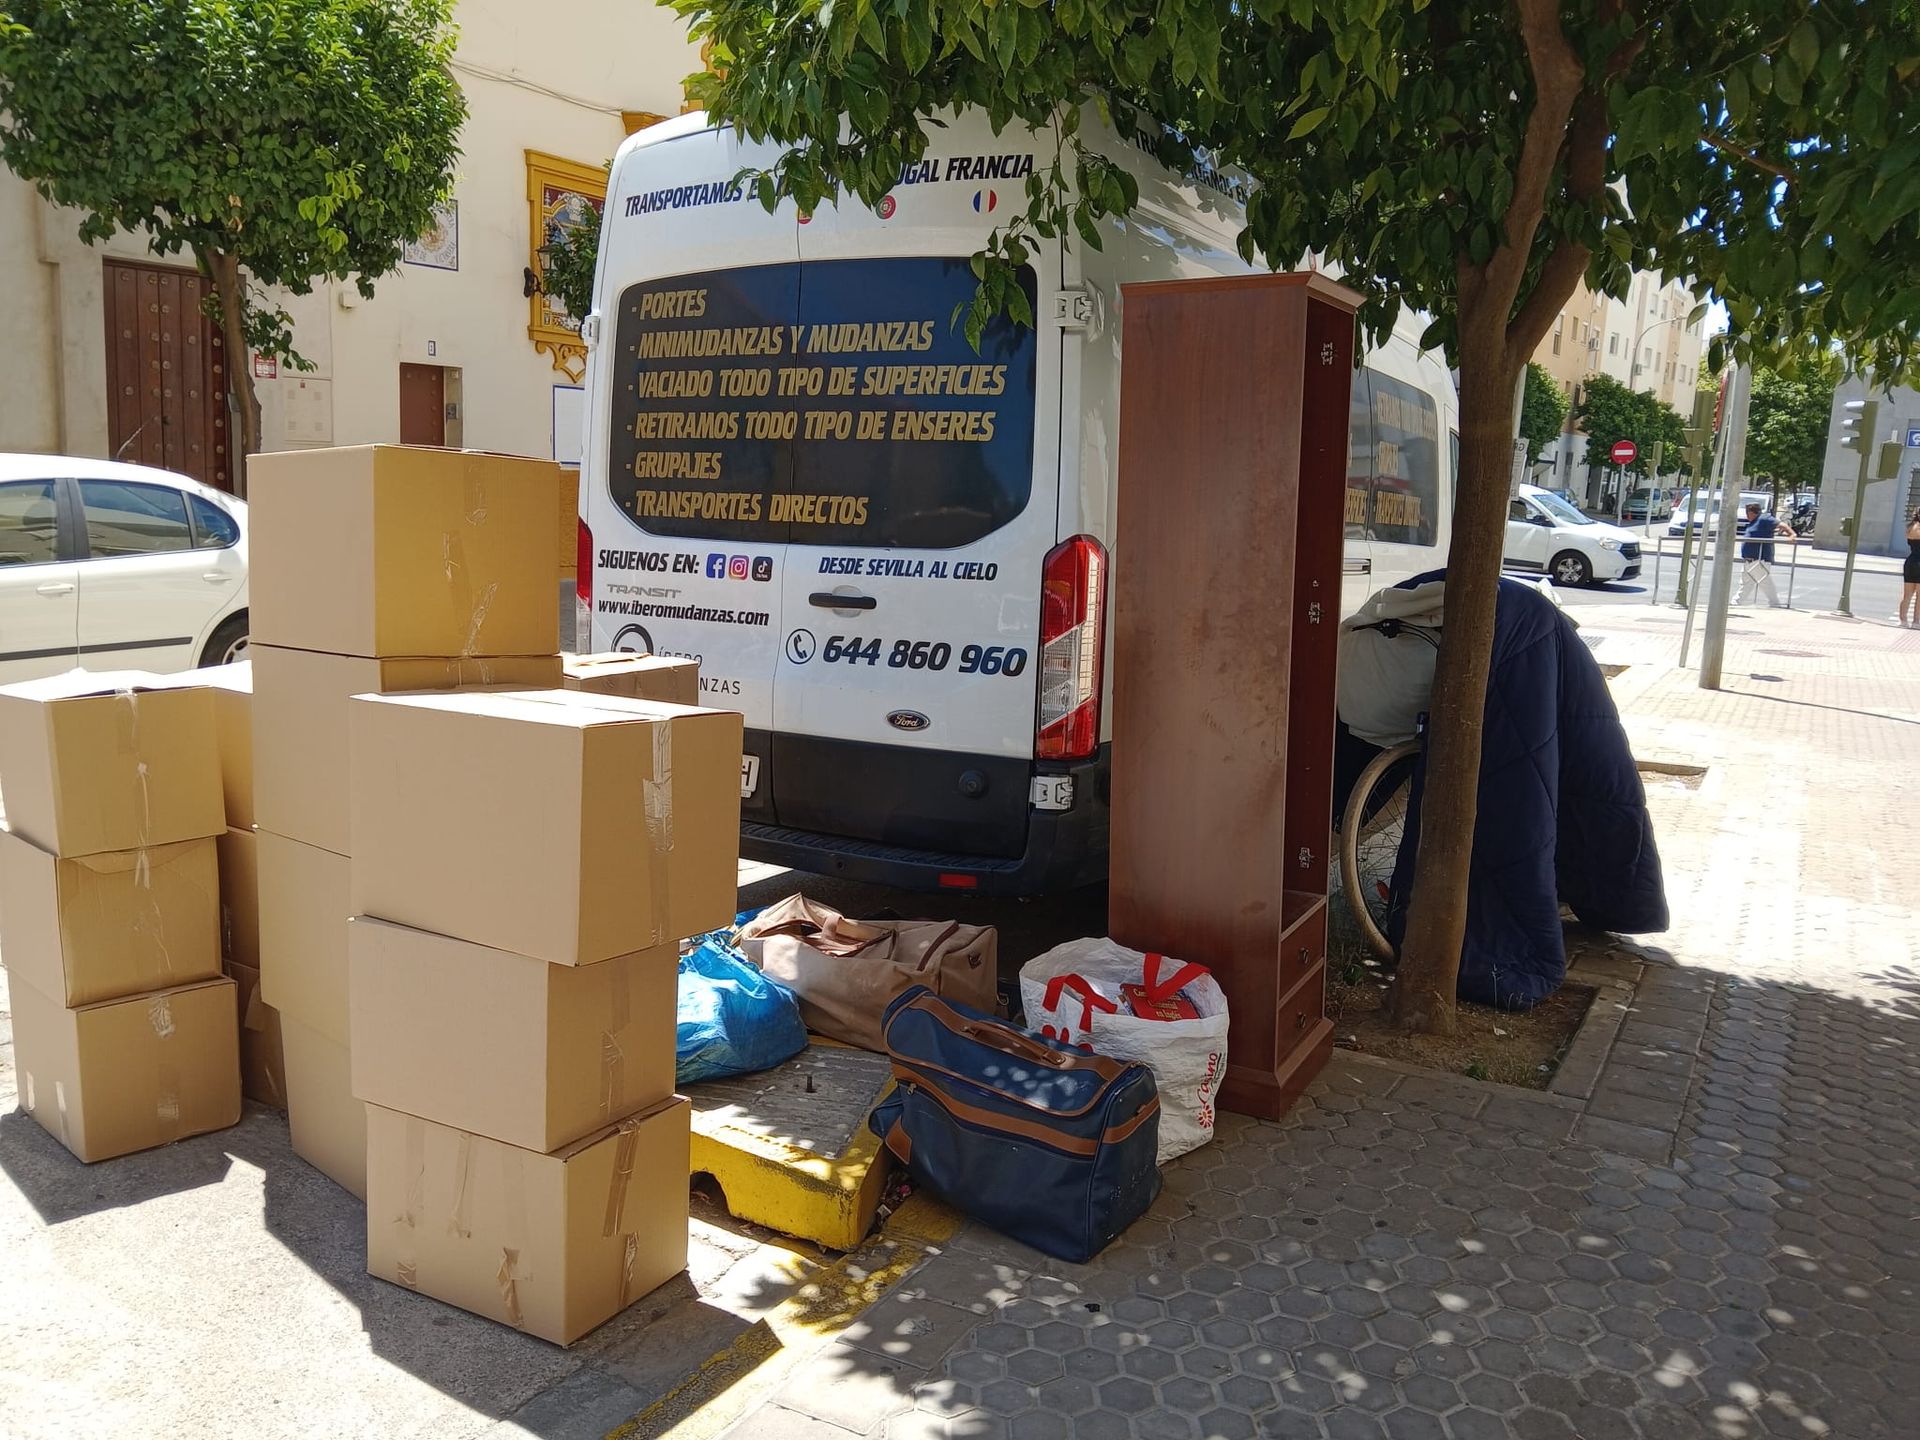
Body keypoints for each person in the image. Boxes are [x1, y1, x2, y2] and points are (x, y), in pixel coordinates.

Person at [1736, 501, 1793, 608]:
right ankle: (1736, 602)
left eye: (1747, 513)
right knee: (1746, 584)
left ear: (1752, 512)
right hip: (1749, 560)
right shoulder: (1754, 522)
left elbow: (1781, 524)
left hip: (1759, 560)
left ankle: (1775, 604)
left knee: (1764, 583)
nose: (1747, 515)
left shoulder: (1764, 518)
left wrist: (1791, 534)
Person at [1902, 506, 1920, 627]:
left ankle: (1903, 620)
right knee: (1919, 596)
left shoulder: (1910, 528)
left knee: (1907, 595)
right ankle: (1916, 621)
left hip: (1910, 561)